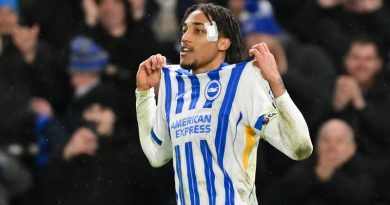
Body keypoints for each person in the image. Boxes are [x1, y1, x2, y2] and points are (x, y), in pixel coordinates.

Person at [135, 3, 312, 204]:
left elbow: (300, 147)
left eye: (198, 30)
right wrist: (144, 94)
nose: (185, 38)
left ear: (223, 43)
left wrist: (275, 82)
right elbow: (157, 155)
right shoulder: (174, 86)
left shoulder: (242, 83)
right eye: (184, 30)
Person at [262, 119, 376, 205]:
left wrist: (332, 178)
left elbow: (363, 196)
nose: (332, 147)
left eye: (339, 141)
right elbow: (279, 194)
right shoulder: (305, 167)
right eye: (326, 140)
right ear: (316, 146)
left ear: (352, 147)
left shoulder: (364, 168)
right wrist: (315, 176)